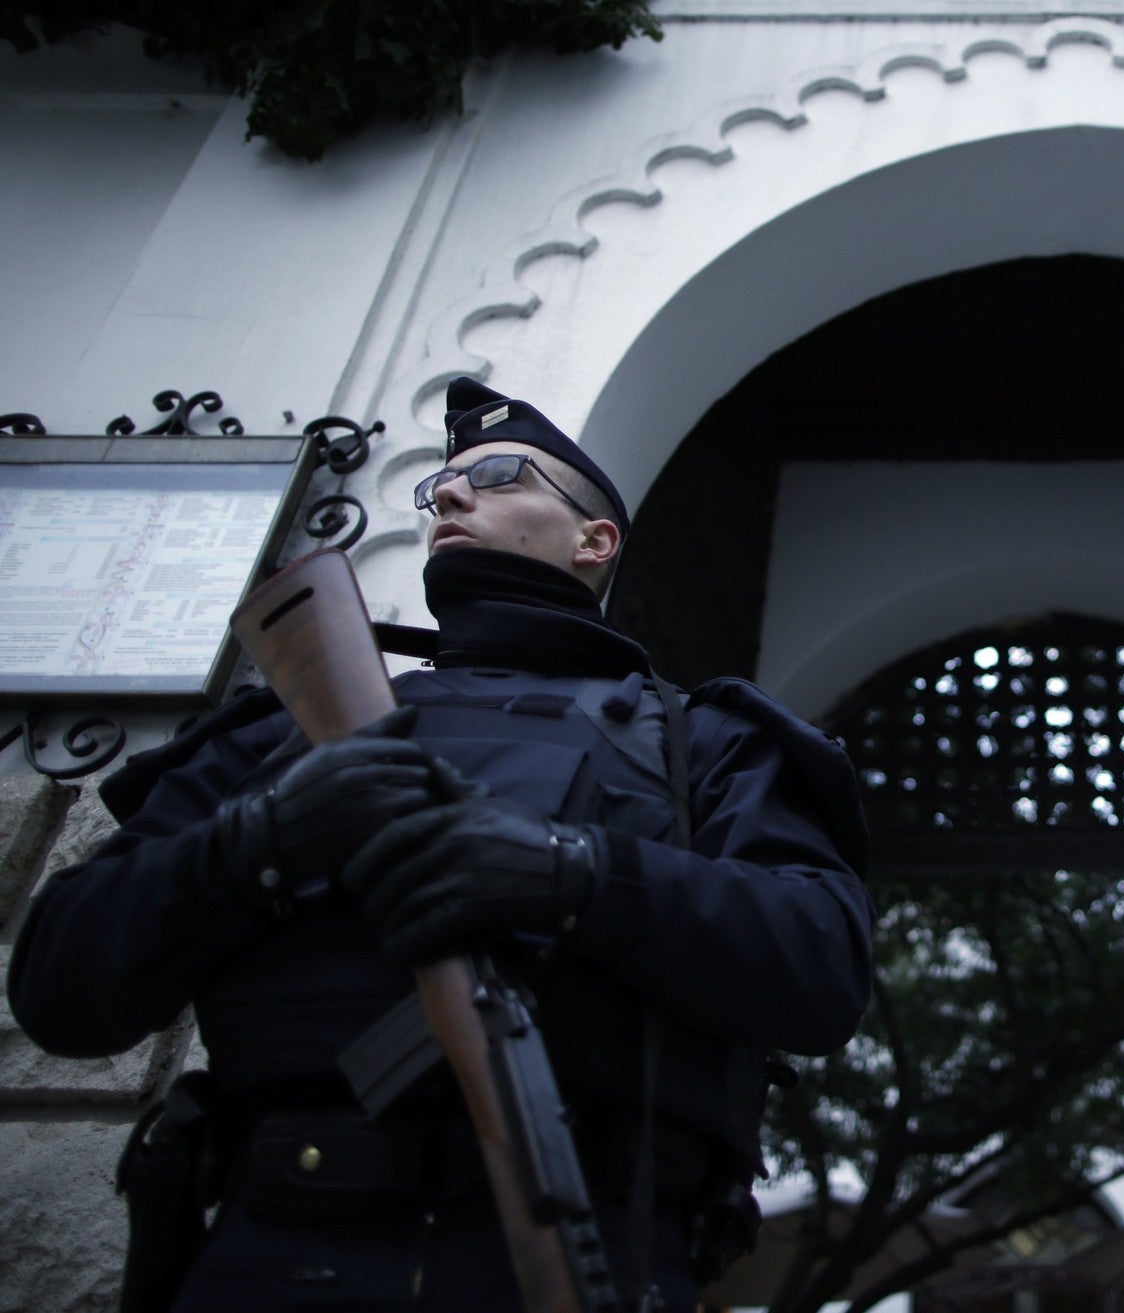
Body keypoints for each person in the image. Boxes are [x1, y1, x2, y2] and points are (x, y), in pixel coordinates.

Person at [6, 377, 874, 1311]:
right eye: (439, 487)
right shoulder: (276, 732)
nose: (449, 496)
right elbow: (62, 991)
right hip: (275, 1252)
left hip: (588, 1251)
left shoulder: (700, 742)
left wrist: (569, 873)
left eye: (498, 475)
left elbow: (818, 961)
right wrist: (257, 841)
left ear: (595, 540)